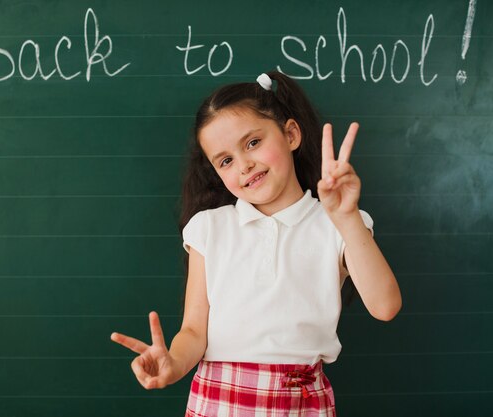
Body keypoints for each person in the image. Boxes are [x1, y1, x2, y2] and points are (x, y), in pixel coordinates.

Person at [111, 71, 402, 416]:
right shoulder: (209, 228)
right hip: (217, 400)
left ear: (291, 134)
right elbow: (193, 330)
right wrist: (173, 363)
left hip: (301, 403)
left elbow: (385, 307)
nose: (245, 165)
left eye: (252, 143)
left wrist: (347, 217)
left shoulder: (337, 223)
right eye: (226, 161)